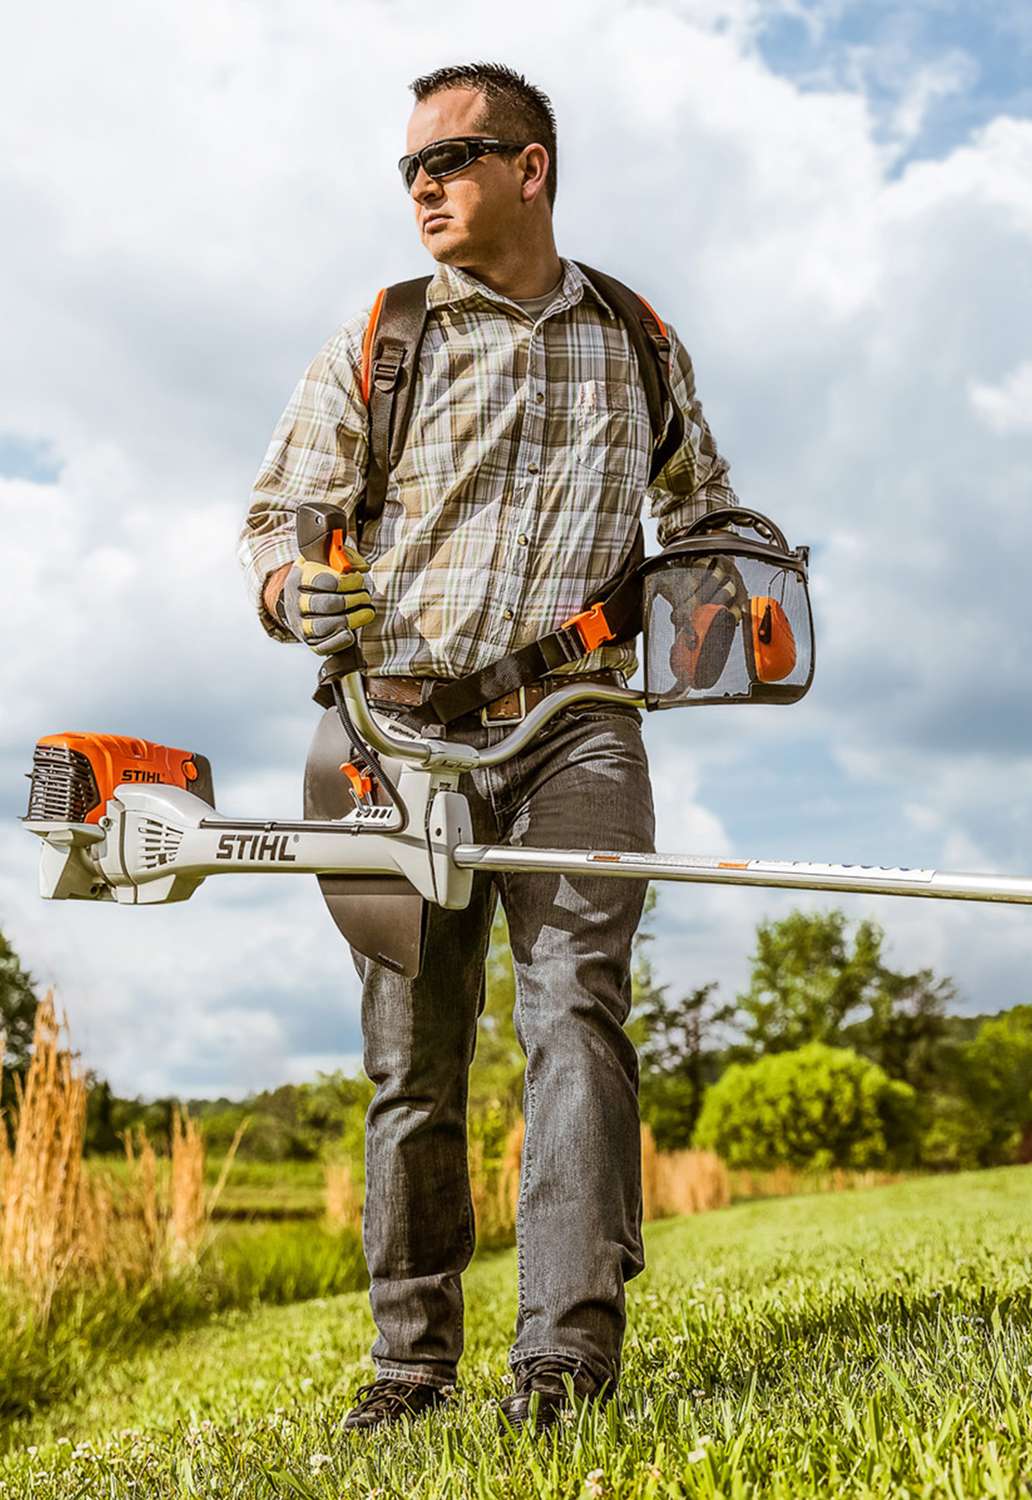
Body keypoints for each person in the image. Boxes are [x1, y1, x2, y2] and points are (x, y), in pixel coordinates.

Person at [237, 60, 737, 1435]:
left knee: (575, 1015)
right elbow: (278, 513)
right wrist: (290, 590)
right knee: (414, 1057)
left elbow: (702, 512)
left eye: (449, 161)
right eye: (409, 170)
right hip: (386, 740)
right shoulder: (381, 337)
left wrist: (734, 600)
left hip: (576, 723)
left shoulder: (637, 338)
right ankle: (410, 1370)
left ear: (532, 169)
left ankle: (565, 1363)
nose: (422, 188)